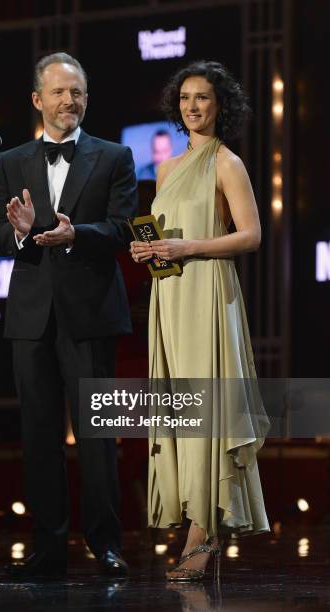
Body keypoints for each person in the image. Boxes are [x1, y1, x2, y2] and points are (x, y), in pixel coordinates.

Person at [0, 52, 138, 577]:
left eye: (76, 92)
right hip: (31, 318)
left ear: (86, 99)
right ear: (38, 100)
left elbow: (123, 229)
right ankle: (48, 546)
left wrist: (80, 233)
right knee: (39, 434)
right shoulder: (10, 162)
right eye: (58, 92)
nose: (68, 101)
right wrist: (24, 232)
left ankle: (107, 543)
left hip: (91, 313)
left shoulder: (115, 156)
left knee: (98, 437)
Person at [130, 60, 270, 581]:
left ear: (221, 105)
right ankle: (193, 515)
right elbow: (166, 235)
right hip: (170, 295)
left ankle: (204, 530)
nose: (193, 106)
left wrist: (191, 245)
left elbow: (251, 235)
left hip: (209, 294)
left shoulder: (228, 163)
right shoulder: (165, 170)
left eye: (203, 98)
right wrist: (150, 251)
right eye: (186, 97)